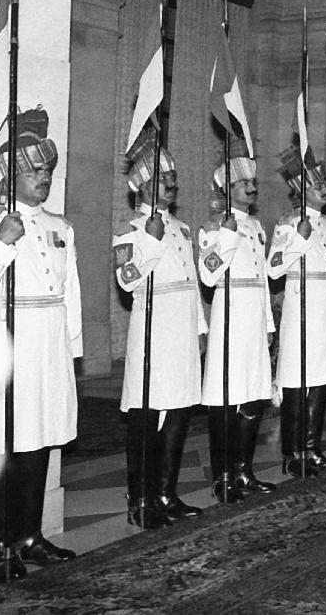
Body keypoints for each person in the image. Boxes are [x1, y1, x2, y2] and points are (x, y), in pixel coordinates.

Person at [0, 111, 79, 580]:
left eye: (47, 171)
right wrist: (2, 243)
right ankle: (0, 543)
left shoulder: (60, 226)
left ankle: (30, 535)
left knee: (41, 441)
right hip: (12, 345)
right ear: (12, 176)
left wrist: (71, 350)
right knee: (9, 444)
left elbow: (72, 294)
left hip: (49, 344)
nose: (43, 178)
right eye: (34, 171)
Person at [113, 136, 204, 529]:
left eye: (173, 176)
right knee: (148, 416)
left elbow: (192, 282)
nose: (172, 183)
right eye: (163, 177)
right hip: (154, 333)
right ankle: (141, 499)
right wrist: (150, 240)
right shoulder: (131, 231)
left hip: (182, 332)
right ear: (142, 186)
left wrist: (200, 327)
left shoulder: (182, 228)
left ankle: (166, 493)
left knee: (180, 411)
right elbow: (127, 279)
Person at [198, 157, 276, 505]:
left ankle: (244, 470)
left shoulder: (257, 226)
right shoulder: (213, 227)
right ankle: (223, 477)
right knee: (226, 399)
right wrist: (227, 234)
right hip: (230, 316)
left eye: (252, 182)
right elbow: (208, 274)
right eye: (244, 183)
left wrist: (268, 323)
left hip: (254, 319)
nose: (251, 187)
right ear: (227, 189)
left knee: (254, 396)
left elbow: (262, 280)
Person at [268, 152, 326, 476]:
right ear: (301, 191)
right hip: (302, 310)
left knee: (321, 379)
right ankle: (293, 453)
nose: (325, 189)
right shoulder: (288, 223)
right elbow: (273, 268)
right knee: (297, 382)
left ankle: (312, 449)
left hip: (325, 311)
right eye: (317, 185)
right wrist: (299, 237)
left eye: (324, 184)